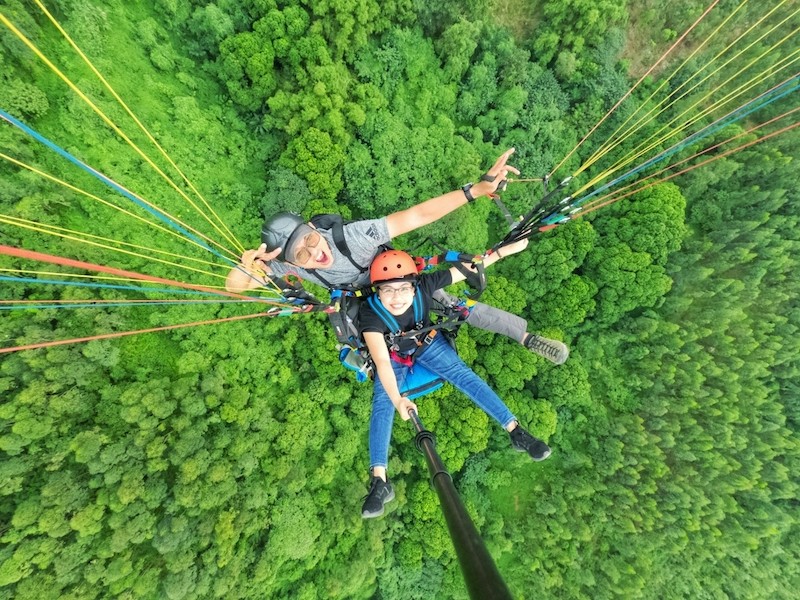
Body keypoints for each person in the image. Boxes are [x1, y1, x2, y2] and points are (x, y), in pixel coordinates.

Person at [225, 148, 569, 364]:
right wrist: (246, 265)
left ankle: (526, 337)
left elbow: (416, 216)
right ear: (291, 261)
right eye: (301, 254)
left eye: (311, 239)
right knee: (363, 333)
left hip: (391, 275)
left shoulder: (356, 237)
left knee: (451, 304)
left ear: (314, 226)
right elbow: (234, 288)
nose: (315, 253)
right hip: (358, 300)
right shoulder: (286, 263)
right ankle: (385, 370)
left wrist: (474, 191)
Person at [359, 248, 552, 518]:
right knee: (383, 403)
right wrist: (397, 398)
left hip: (426, 343)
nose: (397, 297)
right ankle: (380, 480)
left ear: (414, 286)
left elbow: (466, 269)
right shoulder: (370, 315)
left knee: (465, 377)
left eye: (403, 288)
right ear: (377, 292)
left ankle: (515, 430)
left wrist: (507, 249)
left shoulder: (425, 285)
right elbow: (381, 360)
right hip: (394, 357)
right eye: (388, 290)